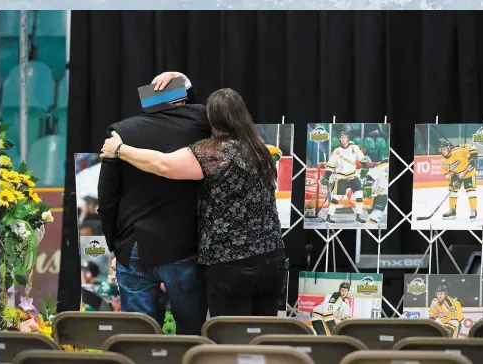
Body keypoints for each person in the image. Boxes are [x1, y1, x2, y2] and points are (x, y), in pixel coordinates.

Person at [100, 80, 287, 317]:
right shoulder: (260, 149)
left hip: (230, 263)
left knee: (230, 339)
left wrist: (119, 150)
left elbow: (162, 164)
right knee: (262, 335)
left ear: (211, 118)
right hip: (272, 259)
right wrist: (185, 84)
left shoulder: (212, 152)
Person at [97, 72, 211, 334]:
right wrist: (184, 80)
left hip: (134, 244)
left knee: (138, 335)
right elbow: (197, 108)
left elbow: (107, 197)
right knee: (192, 330)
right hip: (184, 245)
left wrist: (115, 244)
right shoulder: (199, 124)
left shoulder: (121, 132)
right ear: (182, 102)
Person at [320, 129, 368, 224]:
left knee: (359, 195)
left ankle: (358, 216)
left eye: (345, 137)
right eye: (342, 137)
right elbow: (331, 166)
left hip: (353, 176)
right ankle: (329, 216)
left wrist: (365, 168)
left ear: (347, 138)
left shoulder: (354, 148)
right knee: (336, 197)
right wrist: (326, 177)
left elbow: (362, 158)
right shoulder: (336, 151)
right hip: (340, 177)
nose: (343, 139)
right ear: (339, 139)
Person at [439, 141, 478, 221]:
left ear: (449, 148)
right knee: (453, 192)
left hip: (469, 173)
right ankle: (452, 211)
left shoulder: (458, 150)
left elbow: (473, 147)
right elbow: (446, 174)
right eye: (441, 149)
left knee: (470, 192)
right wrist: (454, 179)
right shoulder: (443, 161)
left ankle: (473, 211)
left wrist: (473, 157)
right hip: (456, 175)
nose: (443, 151)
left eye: (444, 149)